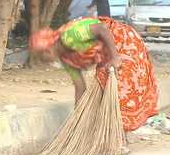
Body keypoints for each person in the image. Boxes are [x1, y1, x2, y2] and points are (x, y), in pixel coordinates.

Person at [29, 16, 159, 133]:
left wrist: (115, 57)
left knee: (120, 86)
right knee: (104, 83)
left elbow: (101, 29)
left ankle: (119, 135)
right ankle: (116, 135)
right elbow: (80, 86)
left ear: (49, 47)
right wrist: (79, 115)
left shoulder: (70, 36)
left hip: (122, 40)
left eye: (42, 55)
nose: (43, 59)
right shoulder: (66, 59)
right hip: (108, 51)